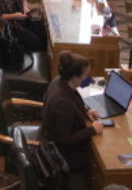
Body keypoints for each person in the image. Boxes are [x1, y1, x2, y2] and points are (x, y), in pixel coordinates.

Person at [42, 51, 103, 190]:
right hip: (61, 153)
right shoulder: (62, 104)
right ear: (75, 77)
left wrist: (86, 111)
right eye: (85, 75)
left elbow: (74, 98)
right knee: (98, 161)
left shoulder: (60, 81)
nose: (88, 78)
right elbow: (65, 140)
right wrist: (92, 129)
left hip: (54, 135)